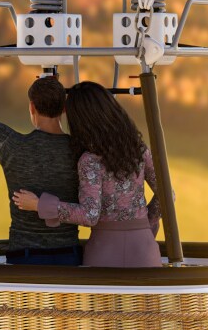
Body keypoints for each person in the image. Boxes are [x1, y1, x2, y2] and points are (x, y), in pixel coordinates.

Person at [0, 47, 82, 265]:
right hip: (70, 258)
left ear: (32, 107)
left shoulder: (12, 146)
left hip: (24, 260)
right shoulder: (81, 151)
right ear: (64, 109)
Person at [12, 80, 162, 268]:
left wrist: (39, 204)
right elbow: (166, 195)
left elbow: (90, 215)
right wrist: (146, 225)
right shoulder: (139, 150)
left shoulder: (90, 160)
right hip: (144, 249)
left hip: (105, 251)